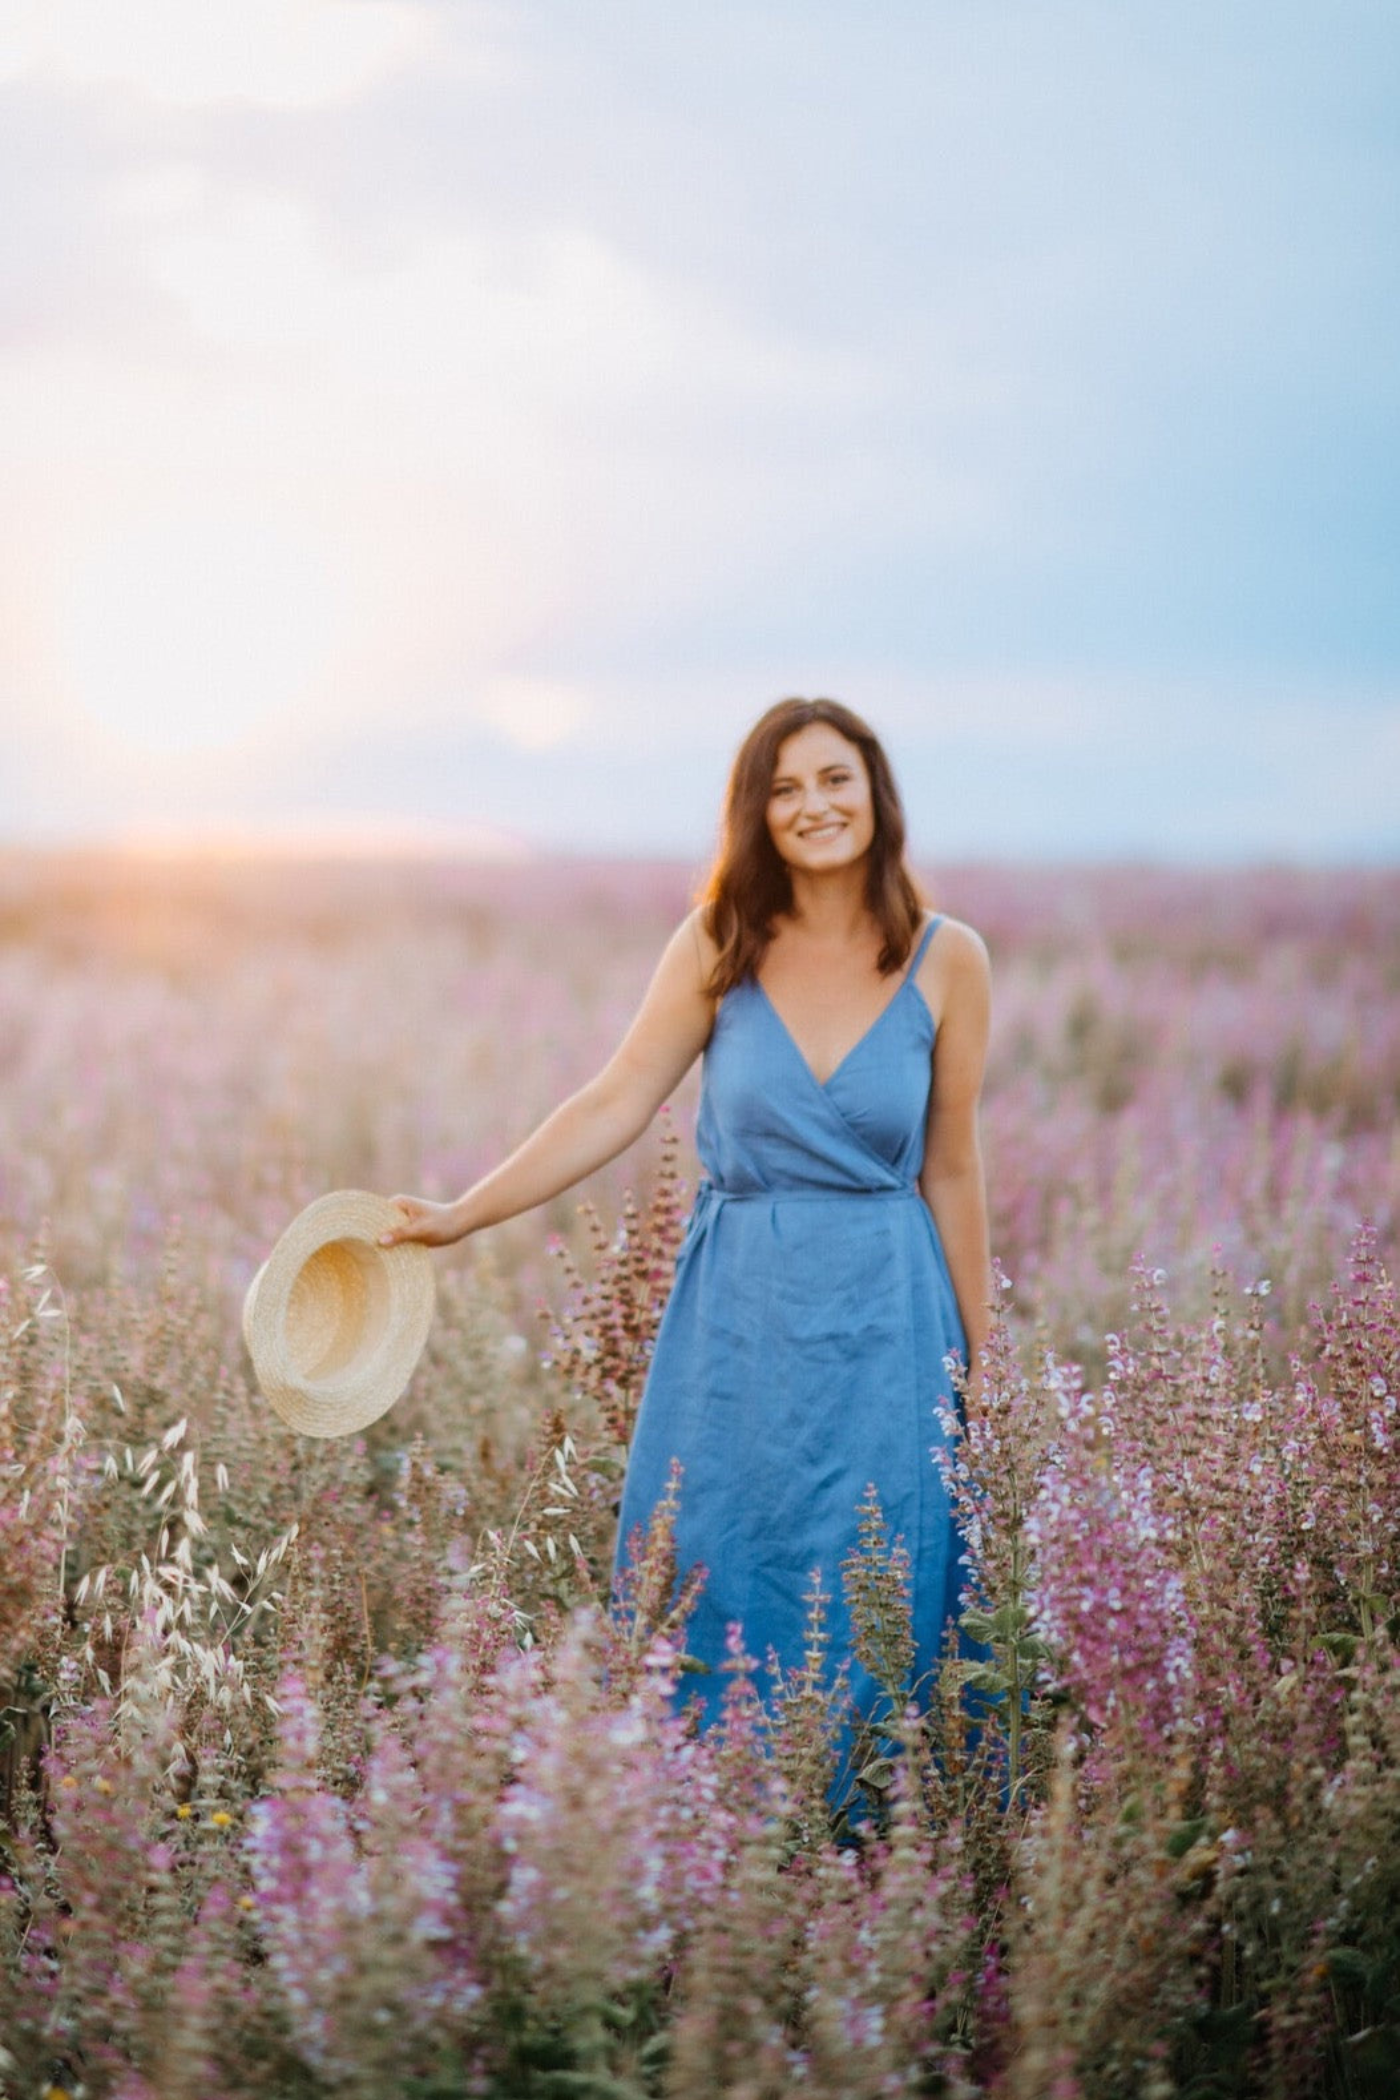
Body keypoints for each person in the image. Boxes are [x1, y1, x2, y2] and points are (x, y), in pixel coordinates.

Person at [380, 697, 992, 1743]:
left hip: (889, 1319)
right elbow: (614, 1100)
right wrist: (461, 1215)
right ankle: (710, 1832)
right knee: (719, 1559)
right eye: (784, 789)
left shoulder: (948, 959)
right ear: (755, 815)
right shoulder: (719, 940)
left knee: (892, 1568)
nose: (812, 806)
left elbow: (950, 1166)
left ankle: (884, 1854)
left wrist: (982, 1360)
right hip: (740, 1318)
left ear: (875, 793)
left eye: (834, 779)